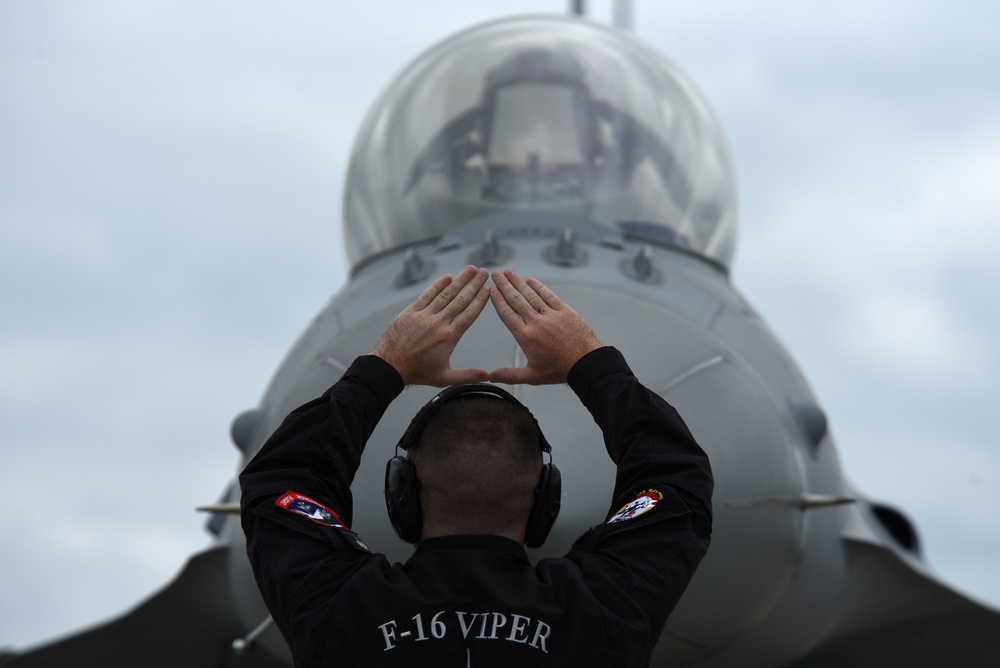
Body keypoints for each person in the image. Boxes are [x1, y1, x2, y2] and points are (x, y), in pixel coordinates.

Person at [239, 266, 713, 667]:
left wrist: (384, 366)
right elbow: (677, 483)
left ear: (400, 495)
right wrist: (589, 363)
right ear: (546, 501)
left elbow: (280, 482)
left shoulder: (343, 610)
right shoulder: (597, 610)